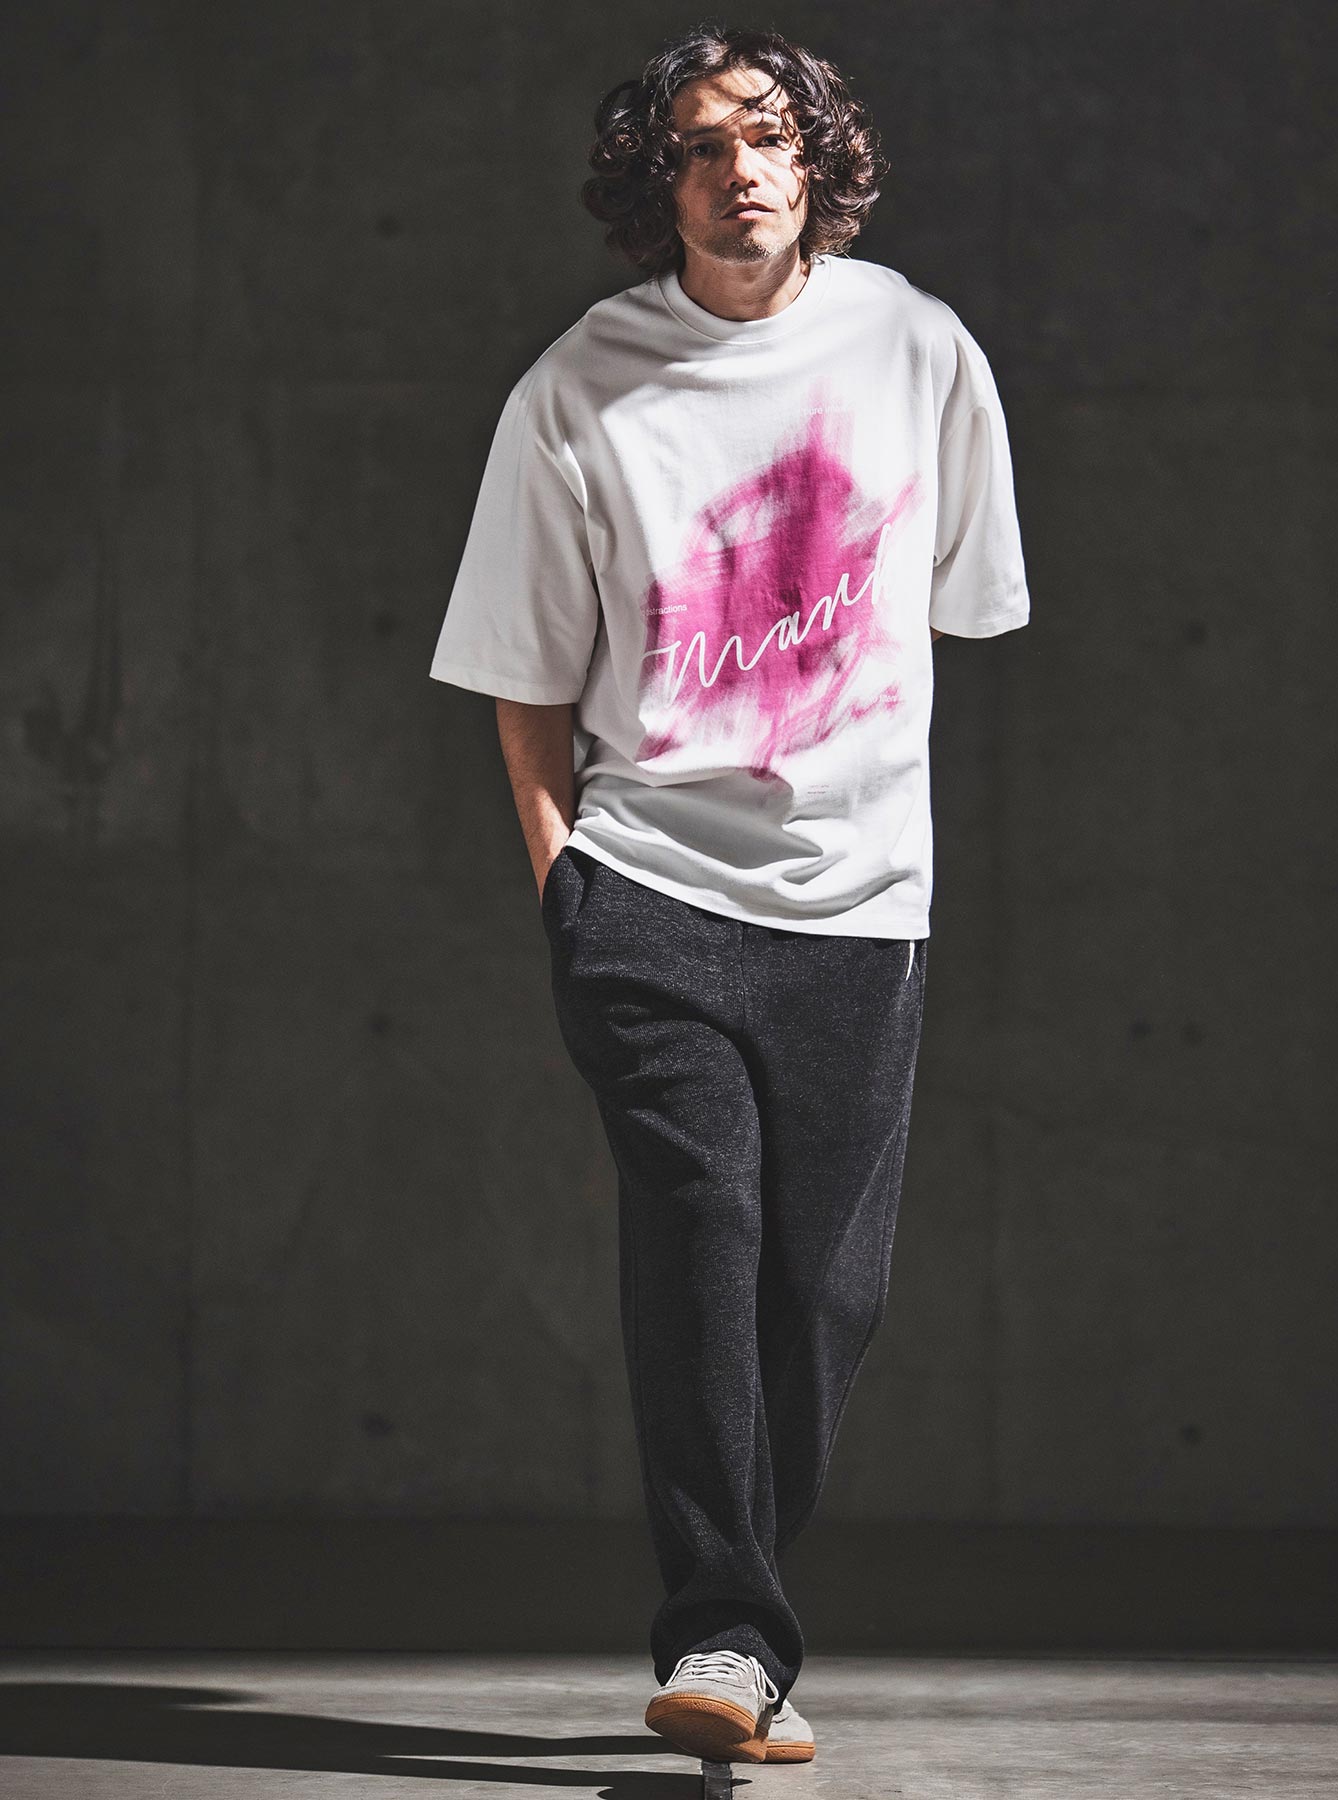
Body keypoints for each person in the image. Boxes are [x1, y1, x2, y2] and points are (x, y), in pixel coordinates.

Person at [429, 22, 1029, 1768]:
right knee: (700, 1240)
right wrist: (567, 883)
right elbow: (523, 674)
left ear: (817, 161)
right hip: (650, 894)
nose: (739, 168)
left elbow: (963, 602)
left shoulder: (918, 350)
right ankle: (724, 1635)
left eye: (768, 134)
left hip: (859, 910)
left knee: (821, 1297)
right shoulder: (578, 388)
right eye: (699, 144)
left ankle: (744, 1625)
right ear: (659, 182)